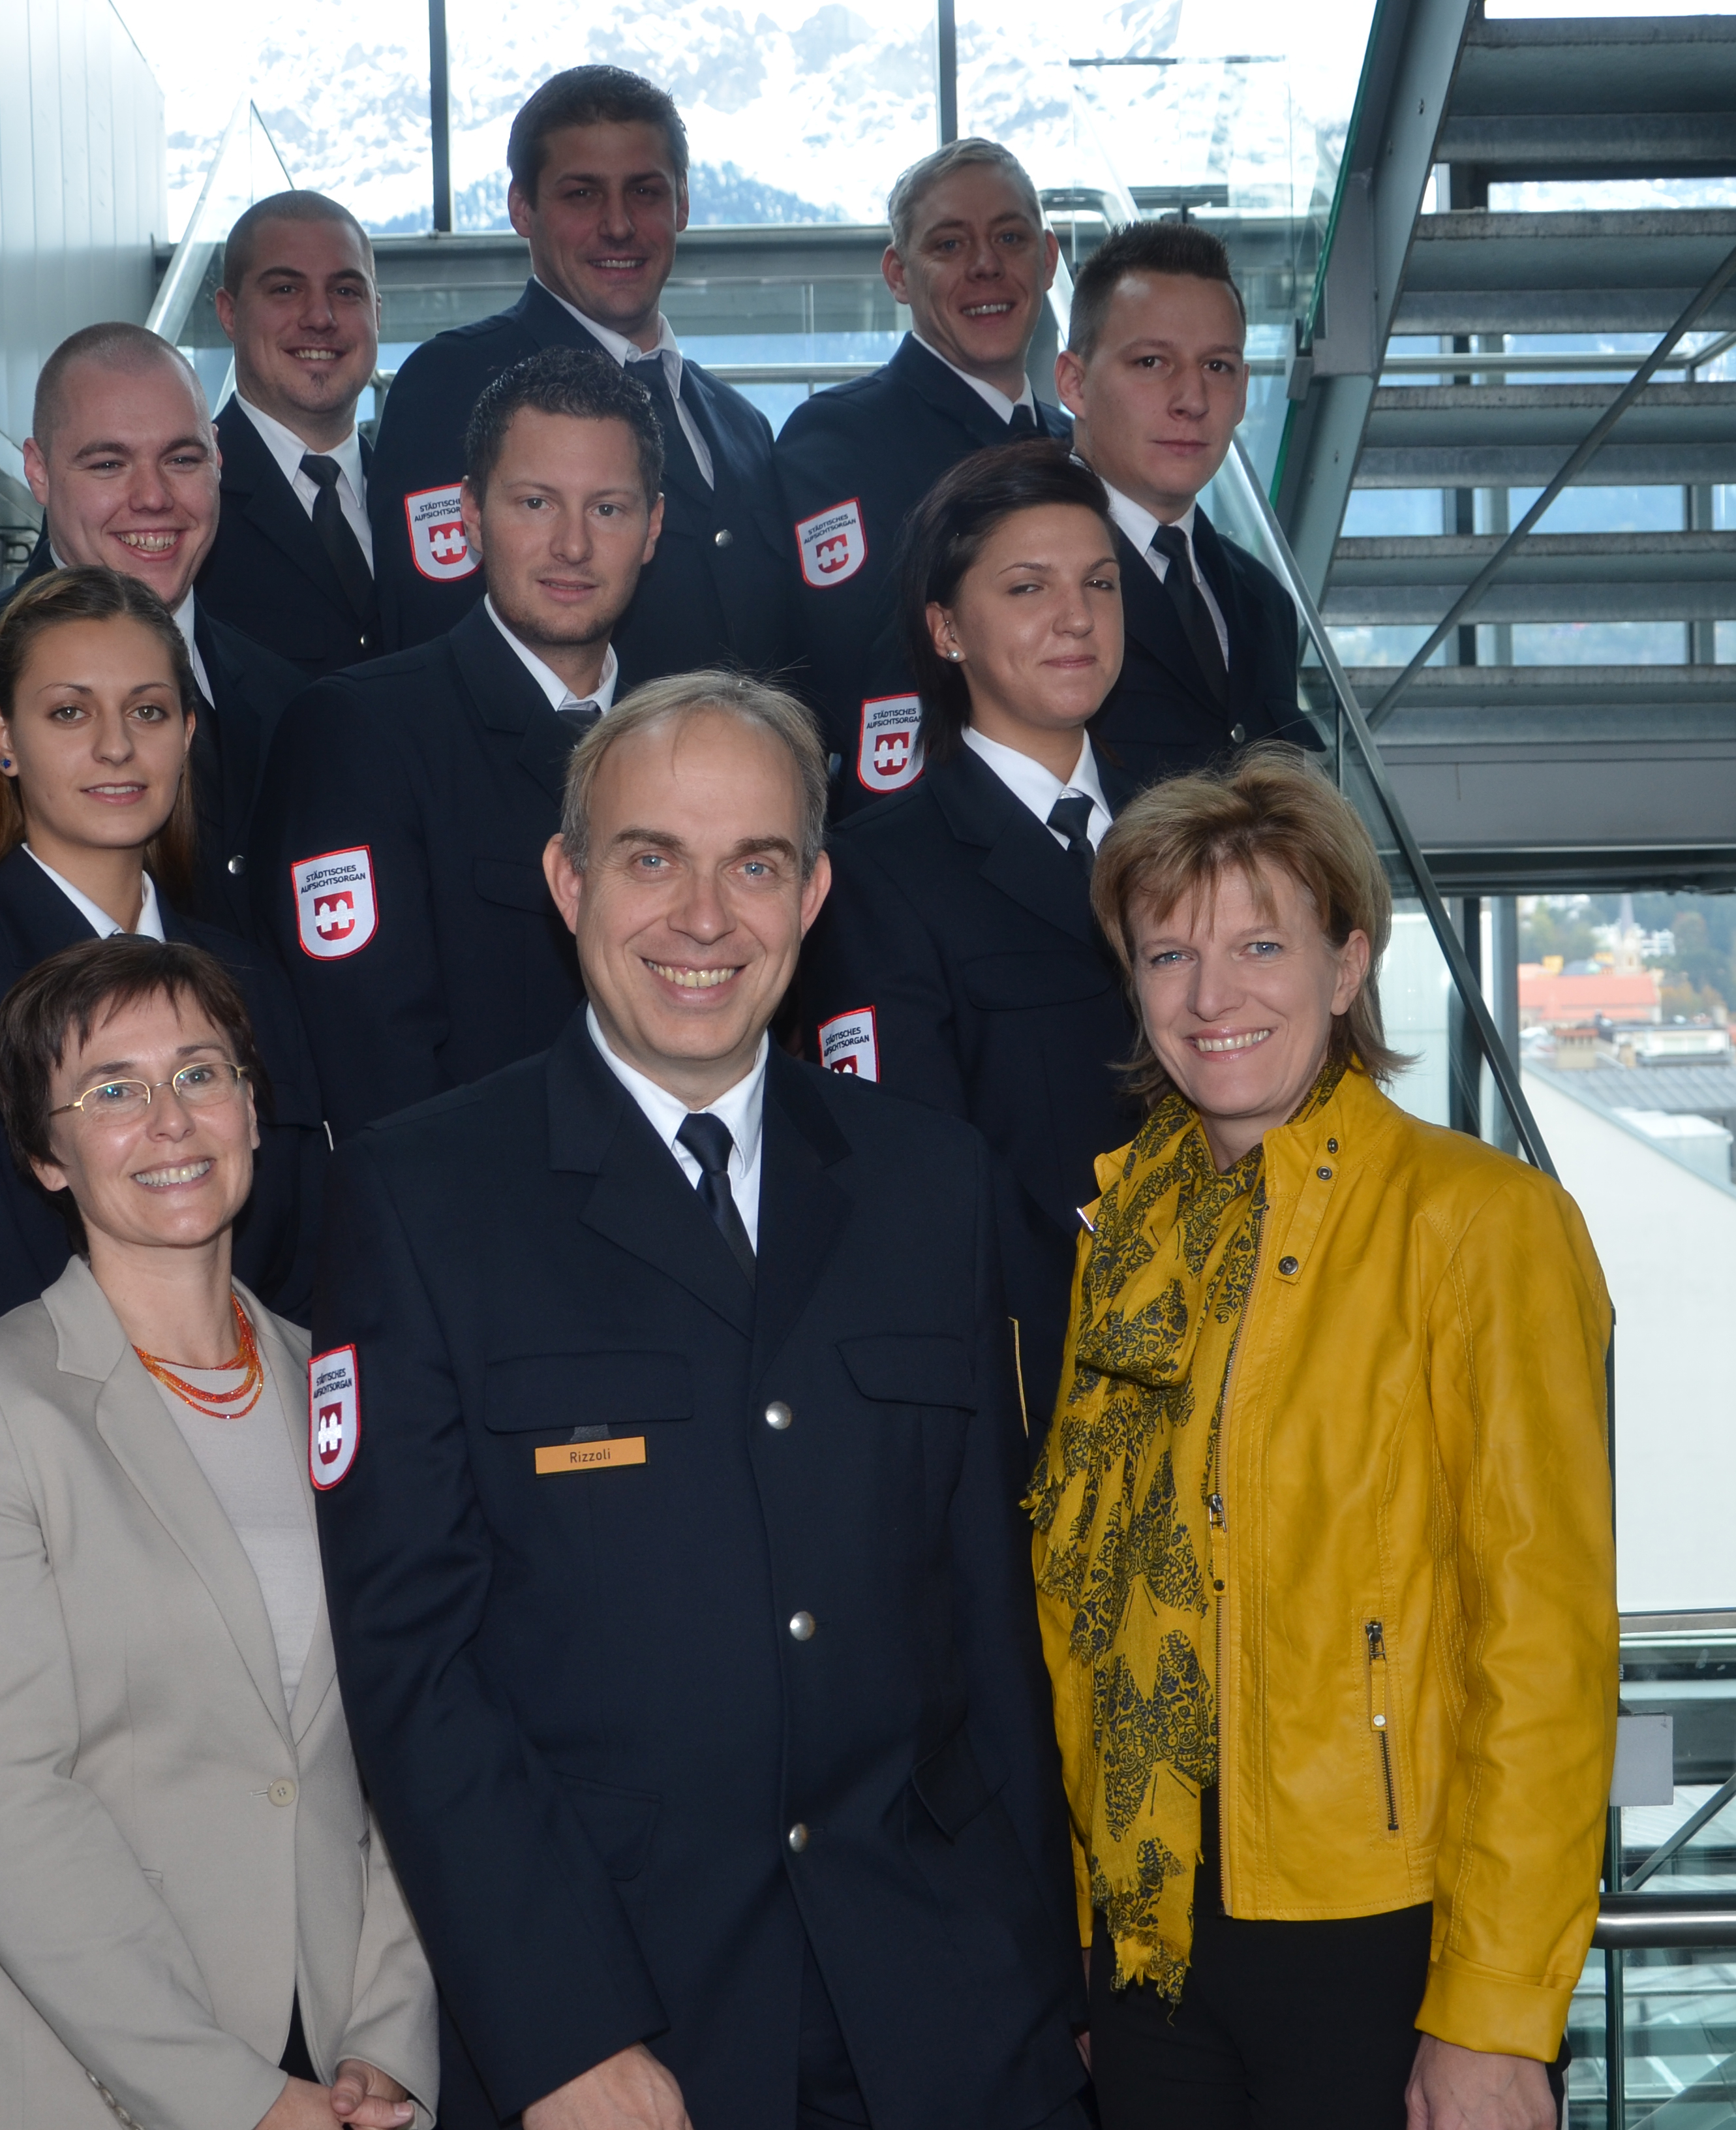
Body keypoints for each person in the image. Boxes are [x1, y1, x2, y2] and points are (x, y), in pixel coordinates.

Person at [314, 673, 1089, 2130]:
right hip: (622, 2035)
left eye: (757, 863)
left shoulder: (931, 1183)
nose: (703, 916)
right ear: (567, 879)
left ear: (813, 896)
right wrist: (557, 2031)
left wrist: (1052, 1979)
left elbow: (989, 1618)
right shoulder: (424, 1198)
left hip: (947, 2024)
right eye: (650, 856)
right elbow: (411, 1664)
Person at [1039, 747, 1614, 2130]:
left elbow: (1540, 1649)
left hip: (1383, 1929)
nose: (1211, 995)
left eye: (1258, 945)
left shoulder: (1482, 1224)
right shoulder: (1124, 1236)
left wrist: (1490, 2010)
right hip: (1154, 1933)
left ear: (1347, 968)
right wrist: (1081, 1944)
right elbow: (1082, 1608)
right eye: (1167, 952)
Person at [0, 936, 437, 2130]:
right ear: (45, 1153)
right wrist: (233, 2097)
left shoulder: (350, 1385)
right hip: (97, 2081)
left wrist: (393, 2037)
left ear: (253, 1103)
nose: (171, 1120)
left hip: (348, 2068)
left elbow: (422, 1724)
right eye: (112, 1091)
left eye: (201, 1072)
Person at [0, 567, 326, 1364]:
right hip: (55, 1457)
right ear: (2, 739)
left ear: (188, 735)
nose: (116, 746)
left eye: (148, 711)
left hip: (264, 1425)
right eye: (69, 712)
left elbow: (303, 1251)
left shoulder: (249, 976)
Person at [0, 322, 304, 1034]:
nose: (152, 499)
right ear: (38, 471)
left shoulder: (287, 700)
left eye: (181, 458)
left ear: (218, 462)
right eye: (107, 464)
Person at [799, 442, 1138, 1437]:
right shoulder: (879, 872)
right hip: (1039, 1383)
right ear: (946, 629)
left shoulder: (1200, 836)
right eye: (1029, 587)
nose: (1076, 618)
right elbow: (906, 1172)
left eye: (1100, 584)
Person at [252, 347, 662, 1139]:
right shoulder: (359, 732)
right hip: (475, 1231)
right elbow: (374, 1068)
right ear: (470, 516)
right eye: (536, 503)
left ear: (653, 528)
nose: (572, 546)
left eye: (607, 509)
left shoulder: (685, 740)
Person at [364, 64, 787, 680]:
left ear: (684, 205)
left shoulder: (740, 424)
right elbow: (435, 654)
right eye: (581, 194)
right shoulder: (451, 386)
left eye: (645, 191)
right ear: (522, 209)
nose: (618, 224)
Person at [775, 138, 1070, 806]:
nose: (986, 266)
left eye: (1009, 237)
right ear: (898, 275)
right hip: (917, 840)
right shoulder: (836, 439)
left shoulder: (1076, 450)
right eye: (948, 246)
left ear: (1047, 259)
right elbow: (855, 672)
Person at [1055, 221, 1319, 792]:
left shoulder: (1263, 601)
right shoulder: (1013, 577)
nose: (1193, 400)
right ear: (1073, 383)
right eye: (1152, 362)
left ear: (1245, 390)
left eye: (1218, 367)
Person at [200, 191, 385, 678]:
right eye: (285, 289)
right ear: (229, 314)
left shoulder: (422, 499)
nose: (320, 318)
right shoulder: (181, 497)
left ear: (377, 315)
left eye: (346, 291)